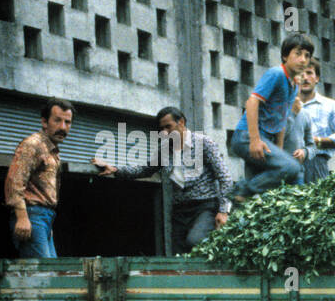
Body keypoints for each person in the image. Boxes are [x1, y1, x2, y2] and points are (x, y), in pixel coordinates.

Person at [92, 107, 233, 253]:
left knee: (195, 241)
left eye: (168, 127)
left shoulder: (204, 143)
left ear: (181, 122)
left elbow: (225, 177)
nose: (165, 133)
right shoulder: (164, 150)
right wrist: (115, 170)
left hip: (205, 207)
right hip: (180, 210)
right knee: (177, 254)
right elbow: (144, 169)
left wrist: (223, 210)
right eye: (162, 129)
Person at [228, 34, 314, 201]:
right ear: (285, 56)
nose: (303, 59)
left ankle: (300, 211)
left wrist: (280, 151)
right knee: (292, 168)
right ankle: (241, 189)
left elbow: (281, 120)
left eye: (307, 56)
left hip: (265, 141)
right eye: (298, 54)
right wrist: (254, 140)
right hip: (247, 137)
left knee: (292, 177)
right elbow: (252, 102)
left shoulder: (294, 86)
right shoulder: (276, 74)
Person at [5, 97, 74, 258]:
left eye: (67, 122)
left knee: (52, 273)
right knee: (44, 275)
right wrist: (22, 217)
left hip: (44, 217)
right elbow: (14, 181)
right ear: (44, 122)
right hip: (31, 215)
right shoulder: (33, 144)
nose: (63, 127)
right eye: (57, 121)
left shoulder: (52, 150)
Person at [295, 60, 335, 183]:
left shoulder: (329, 105)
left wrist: (318, 142)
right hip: (289, 164)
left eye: (309, 73)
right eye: (300, 73)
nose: (305, 77)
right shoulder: (285, 105)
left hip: (316, 164)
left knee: (316, 201)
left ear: (317, 78)